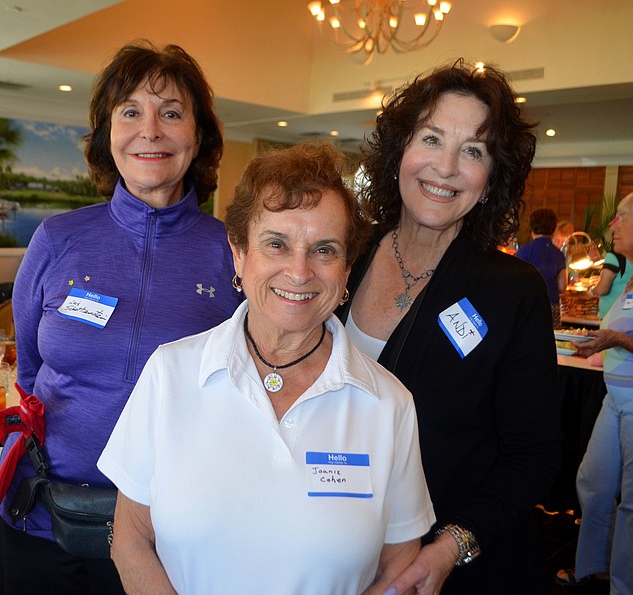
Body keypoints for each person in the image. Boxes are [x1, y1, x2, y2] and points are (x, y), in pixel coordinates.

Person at [98, 142, 436, 594]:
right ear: (239, 254)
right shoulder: (171, 374)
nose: (299, 272)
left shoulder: (389, 405)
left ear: (347, 269)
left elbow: (399, 565)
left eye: (324, 250)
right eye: (276, 244)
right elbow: (131, 539)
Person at [0, 42, 242, 594]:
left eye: (171, 112)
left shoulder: (232, 253)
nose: (149, 130)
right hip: (39, 517)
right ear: (108, 133)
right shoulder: (57, 239)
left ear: (198, 136)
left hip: (165, 533)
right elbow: (30, 371)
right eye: (130, 111)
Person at [335, 60, 561, 594]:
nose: (446, 166)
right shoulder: (347, 251)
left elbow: (533, 455)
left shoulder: (511, 290)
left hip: (451, 568)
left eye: (473, 151)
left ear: (490, 181)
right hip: (340, 546)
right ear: (399, 154)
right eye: (432, 138)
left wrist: (451, 547)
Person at [555, 193, 633, 593]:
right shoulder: (631, 273)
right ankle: (593, 567)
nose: (612, 226)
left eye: (621, 218)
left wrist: (614, 338)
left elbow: (622, 334)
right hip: (614, 399)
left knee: (631, 503)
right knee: (593, 482)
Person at [516, 208, 567, 327]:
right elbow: (562, 286)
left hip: (528, 304)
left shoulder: (525, 251)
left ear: (532, 228)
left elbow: (515, 281)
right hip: (551, 305)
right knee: (549, 341)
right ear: (553, 230)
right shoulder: (558, 254)